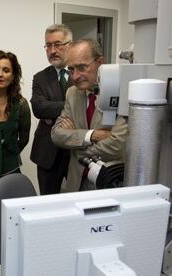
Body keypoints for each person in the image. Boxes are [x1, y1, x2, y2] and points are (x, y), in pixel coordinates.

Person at [51, 39, 128, 192]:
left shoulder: (121, 93)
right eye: (71, 69)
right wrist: (91, 135)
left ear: (100, 63)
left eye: (81, 67)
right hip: (76, 183)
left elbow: (119, 145)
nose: (75, 76)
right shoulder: (72, 93)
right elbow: (56, 134)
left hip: (107, 184)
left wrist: (77, 148)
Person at [30, 24, 72, 195]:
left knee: (80, 200)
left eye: (58, 44)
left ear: (70, 44)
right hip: (47, 152)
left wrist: (52, 112)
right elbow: (39, 108)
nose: (52, 50)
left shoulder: (81, 74)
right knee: (47, 202)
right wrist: (72, 107)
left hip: (76, 152)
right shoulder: (40, 77)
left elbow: (88, 106)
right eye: (48, 45)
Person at [0, 50, 31, 195]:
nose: (0, 74)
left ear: (13, 76)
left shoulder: (21, 104)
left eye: (6, 70)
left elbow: (23, 139)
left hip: (10, 171)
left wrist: (7, 153)